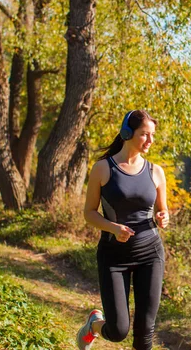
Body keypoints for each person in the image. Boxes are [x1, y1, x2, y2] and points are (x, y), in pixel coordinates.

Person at [77, 109, 169, 350]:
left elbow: (163, 212)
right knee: (118, 330)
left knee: (145, 330)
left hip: (151, 254)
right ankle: (94, 325)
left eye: (152, 135)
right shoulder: (103, 169)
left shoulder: (156, 171)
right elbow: (89, 213)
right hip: (113, 257)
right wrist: (113, 227)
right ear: (127, 133)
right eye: (144, 134)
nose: (150, 140)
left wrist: (163, 216)